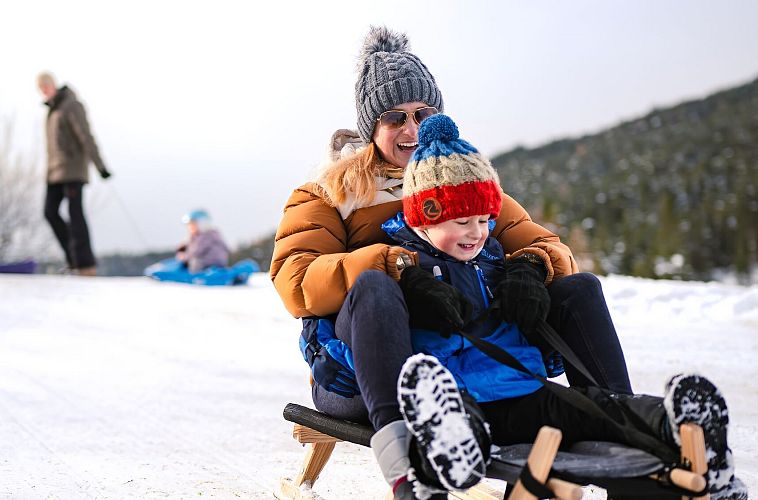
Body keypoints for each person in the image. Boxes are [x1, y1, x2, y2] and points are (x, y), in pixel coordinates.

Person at [270, 26, 627, 499]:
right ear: (371, 125)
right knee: (375, 289)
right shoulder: (329, 193)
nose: (412, 130)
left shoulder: (459, 180)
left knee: (578, 289)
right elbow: (295, 280)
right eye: (395, 117)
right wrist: (394, 265)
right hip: (364, 371)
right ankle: (410, 473)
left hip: (470, 356)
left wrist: (531, 267)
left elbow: (548, 246)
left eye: (423, 114)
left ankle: (626, 448)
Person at [387, 113, 746, 498]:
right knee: (458, 423)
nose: (476, 232)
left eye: (483, 219)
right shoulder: (405, 270)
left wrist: (527, 271)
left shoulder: (494, 261)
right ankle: (451, 447)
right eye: (461, 221)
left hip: (526, 390)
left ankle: (679, 426)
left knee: (599, 409)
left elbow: (547, 252)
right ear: (423, 219)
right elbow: (367, 334)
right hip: (462, 400)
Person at [37, 72, 112, 276]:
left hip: (72, 170)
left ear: (53, 84)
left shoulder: (71, 105)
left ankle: (85, 264)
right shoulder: (51, 110)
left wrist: (100, 166)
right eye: (41, 89)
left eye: (46, 86)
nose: (44, 91)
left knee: (75, 214)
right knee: (49, 212)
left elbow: (86, 136)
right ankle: (73, 259)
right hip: (54, 171)